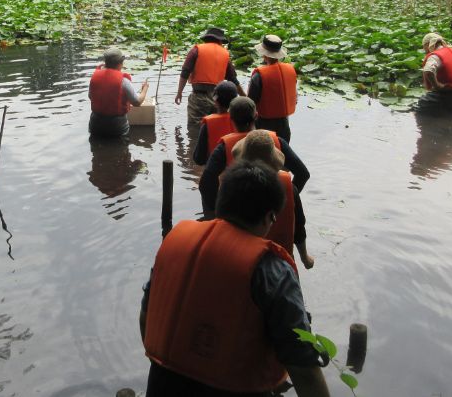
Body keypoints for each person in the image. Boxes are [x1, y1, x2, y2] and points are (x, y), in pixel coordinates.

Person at [140, 161, 330, 397]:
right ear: (269, 217)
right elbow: (304, 370)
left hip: (162, 384)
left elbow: (146, 318)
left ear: (221, 202)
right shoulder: (271, 270)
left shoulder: (174, 243)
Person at [199, 97, 310, 221]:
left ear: (231, 118)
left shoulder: (224, 147)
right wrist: (285, 200)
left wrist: (219, 212)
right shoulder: (276, 141)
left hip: (240, 214)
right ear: (256, 116)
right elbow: (303, 174)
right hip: (272, 212)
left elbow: (206, 183)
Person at [233, 130, 314, 269]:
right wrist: (305, 258)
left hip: (242, 260)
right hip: (281, 262)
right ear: (274, 162)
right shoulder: (289, 190)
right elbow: (299, 228)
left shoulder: (232, 187)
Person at [175, 27, 245, 127]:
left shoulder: (196, 50)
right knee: (215, 127)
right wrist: (244, 97)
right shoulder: (225, 54)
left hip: (199, 98)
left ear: (206, 39)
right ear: (220, 41)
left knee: (195, 128)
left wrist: (179, 93)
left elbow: (185, 72)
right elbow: (233, 79)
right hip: (218, 100)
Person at [88, 47, 149, 137]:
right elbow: (137, 102)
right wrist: (145, 89)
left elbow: (90, 96)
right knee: (121, 146)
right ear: (120, 64)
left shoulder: (94, 77)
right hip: (116, 127)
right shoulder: (123, 81)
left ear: (105, 63)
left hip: (95, 125)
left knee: (96, 146)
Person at [248, 34, 297, 142]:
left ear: (264, 54)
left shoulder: (259, 76)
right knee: (281, 154)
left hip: (263, 125)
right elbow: (295, 98)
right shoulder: (290, 70)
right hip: (284, 125)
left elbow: (250, 104)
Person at [192, 80, 239, 165]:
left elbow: (199, 159)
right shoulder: (244, 119)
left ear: (215, 101)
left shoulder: (208, 123)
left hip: (215, 172)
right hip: (240, 170)